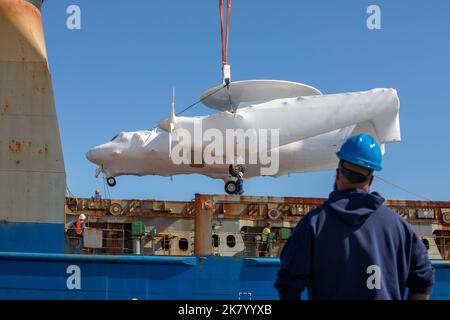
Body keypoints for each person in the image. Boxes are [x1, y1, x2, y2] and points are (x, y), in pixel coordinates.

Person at [274, 133, 435, 300]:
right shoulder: (400, 228)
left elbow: (288, 284)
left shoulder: (313, 224)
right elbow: (423, 279)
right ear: (371, 179)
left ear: (338, 173)